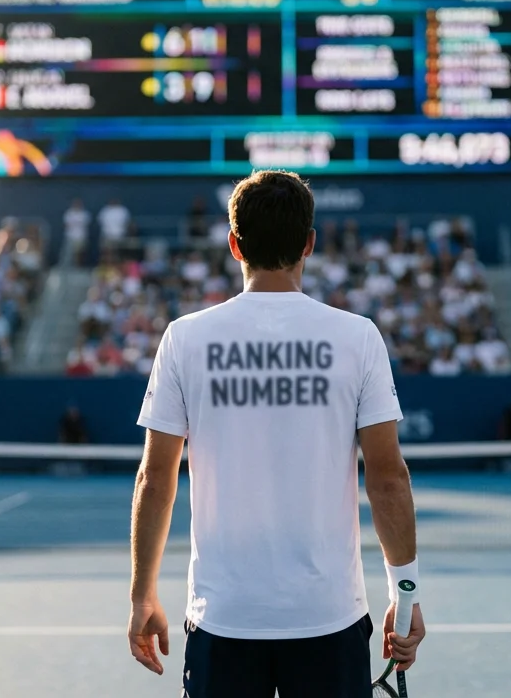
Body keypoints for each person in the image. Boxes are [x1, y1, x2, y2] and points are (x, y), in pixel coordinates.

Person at [129, 170, 425, 697]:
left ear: (234, 244)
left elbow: (155, 478)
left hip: (223, 619)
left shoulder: (184, 339)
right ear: (309, 243)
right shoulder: (358, 338)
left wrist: (141, 597)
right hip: (331, 619)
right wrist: (406, 596)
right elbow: (388, 478)